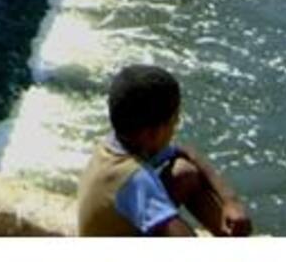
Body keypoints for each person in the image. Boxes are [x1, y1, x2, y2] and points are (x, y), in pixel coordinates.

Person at [78, 64, 253, 237]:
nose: (176, 126)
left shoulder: (118, 143)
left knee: (184, 174)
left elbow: (187, 152)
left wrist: (231, 201)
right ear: (153, 133)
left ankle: (228, 235)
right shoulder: (135, 179)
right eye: (174, 120)